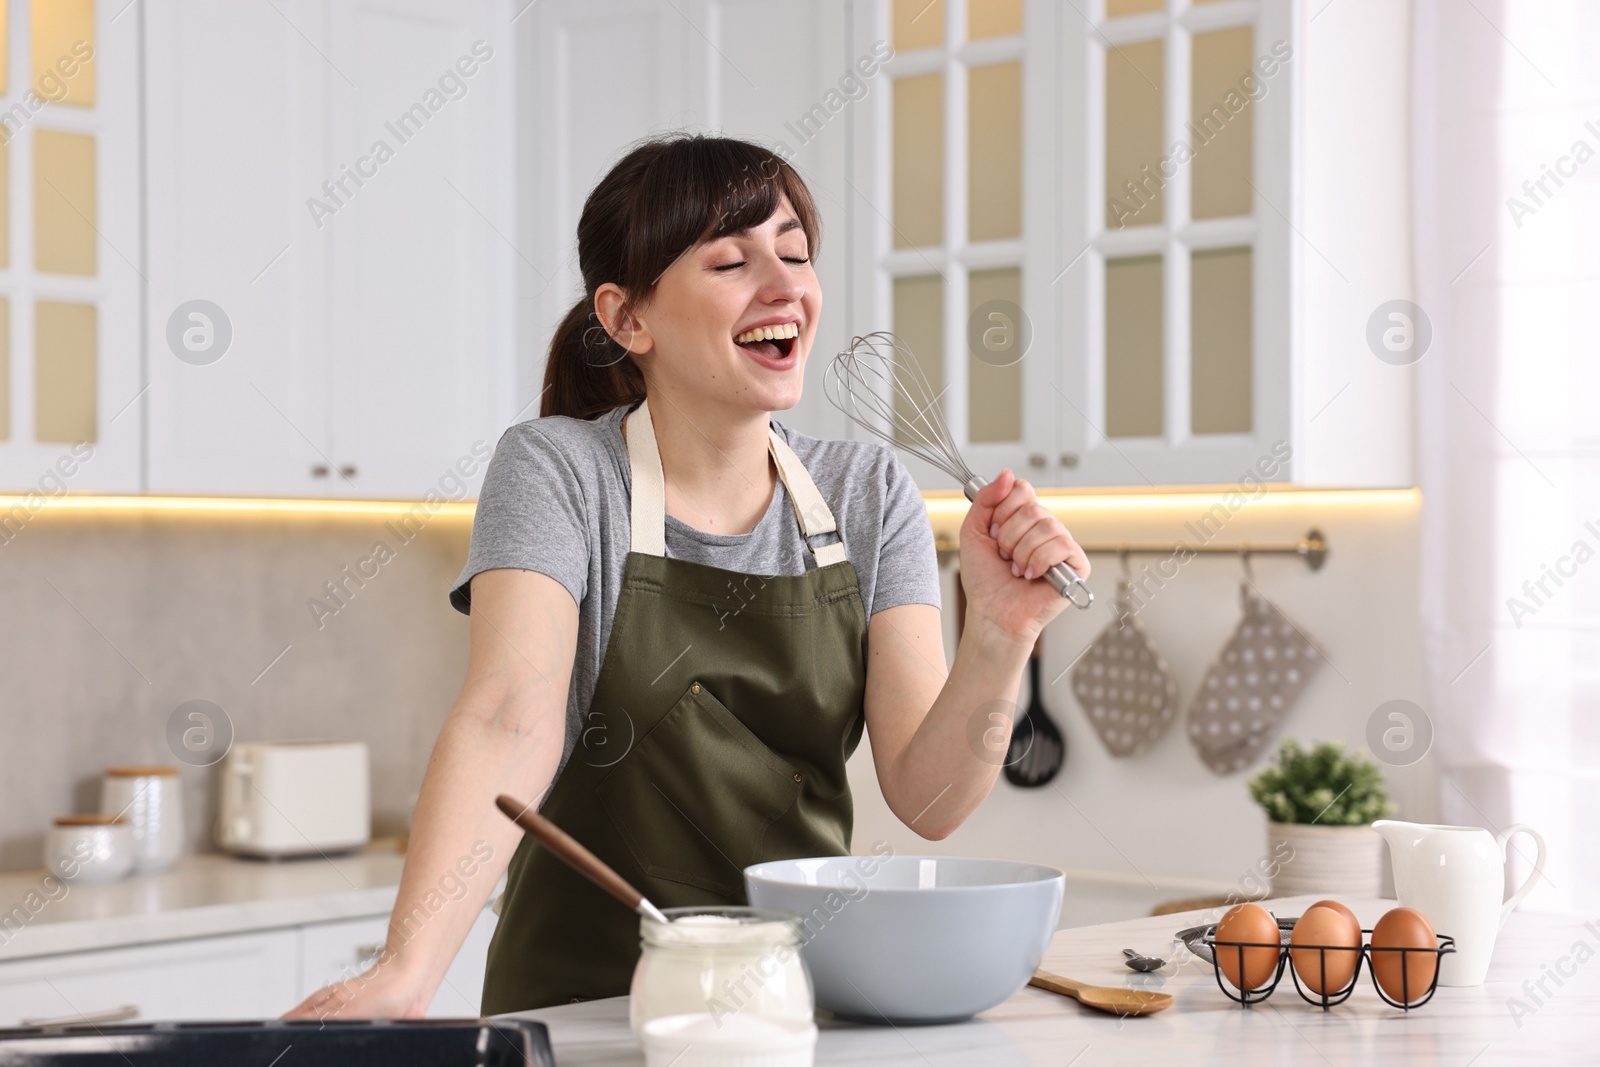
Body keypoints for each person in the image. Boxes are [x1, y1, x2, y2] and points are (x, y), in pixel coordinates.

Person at [284, 133, 1089, 1018]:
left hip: (792, 1005)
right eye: (731, 260)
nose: (785, 286)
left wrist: (1004, 631)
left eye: (794, 253)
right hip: (583, 1011)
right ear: (630, 318)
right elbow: (511, 714)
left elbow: (928, 797)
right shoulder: (560, 471)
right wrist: (405, 972)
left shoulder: (870, 494)